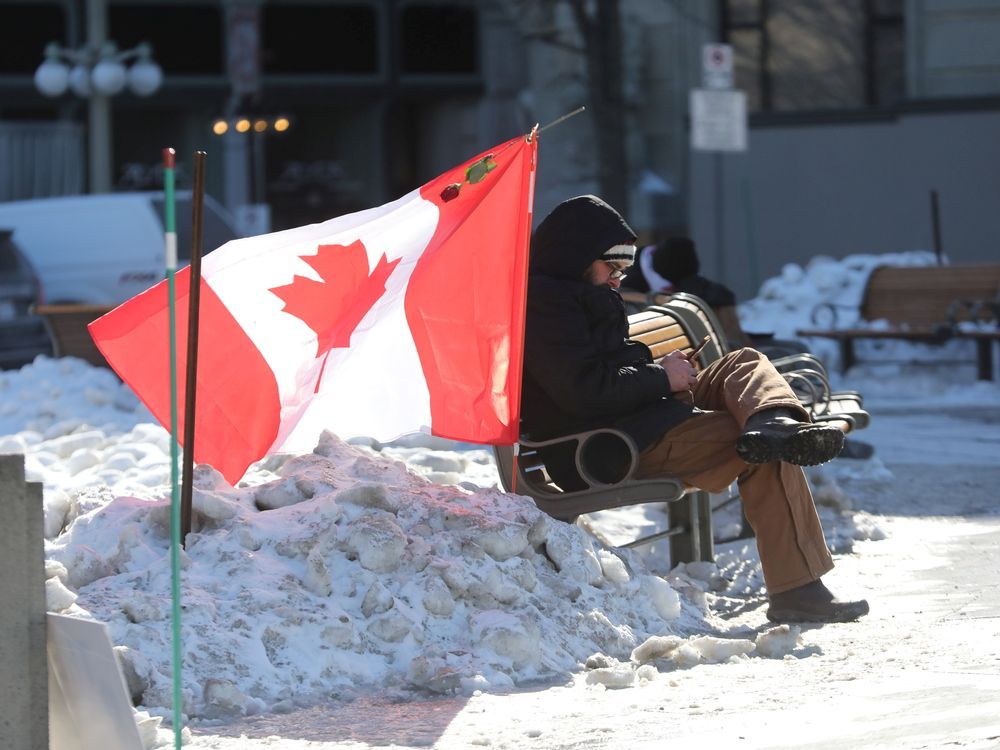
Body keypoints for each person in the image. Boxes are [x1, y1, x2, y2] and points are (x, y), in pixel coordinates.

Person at [521, 195, 869, 624]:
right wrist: (660, 378)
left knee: (744, 363)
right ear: (576, 256)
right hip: (608, 445)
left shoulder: (580, 294)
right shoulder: (544, 307)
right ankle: (798, 590)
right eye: (612, 266)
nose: (618, 278)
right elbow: (582, 391)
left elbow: (607, 365)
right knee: (760, 450)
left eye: (625, 269)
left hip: (639, 418)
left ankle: (773, 421)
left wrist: (662, 371)